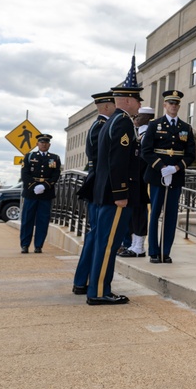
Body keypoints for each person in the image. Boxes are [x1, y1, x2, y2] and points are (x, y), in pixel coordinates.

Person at [87, 64, 143, 305]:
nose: (140, 104)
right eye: (138, 99)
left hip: (106, 194)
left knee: (104, 243)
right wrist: (121, 192)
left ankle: (99, 288)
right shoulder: (122, 122)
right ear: (128, 101)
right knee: (108, 245)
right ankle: (99, 292)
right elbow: (117, 161)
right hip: (114, 196)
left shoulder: (112, 121)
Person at [141, 90, 196, 263]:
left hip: (176, 176)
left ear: (179, 106)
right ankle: (153, 252)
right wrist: (162, 167)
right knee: (155, 213)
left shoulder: (185, 128)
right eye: (170, 103)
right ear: (165, 105)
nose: (173, 106)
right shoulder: (154, 125)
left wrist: (176, 168)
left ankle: (166, 251)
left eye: (176, 103)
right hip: (158, 176)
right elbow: (146, 151)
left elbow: (191, 153)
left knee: (171, 215)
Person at [73, 92, 115, 292]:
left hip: (98, 183)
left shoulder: (100, 125)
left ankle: (82, 281)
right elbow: (103, 159)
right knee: (97, 235)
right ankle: (82, 281)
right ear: (106, 107)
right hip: (100, 184)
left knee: (95, 235)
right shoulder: (101, 127)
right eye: (114, 103)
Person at [118, 106, 154, 258]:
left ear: (147, 117)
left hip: (143, 179)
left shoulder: (148, 133)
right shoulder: (135, 132)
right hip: (133, 179)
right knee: (133, 213)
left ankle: (139, 246)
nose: (135, 119)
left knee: (140, 213)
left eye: (138, 116)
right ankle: (133, 244)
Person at [19, 134, 61, 253]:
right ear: (37, 144)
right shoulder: (29, 156)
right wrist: (34, 186)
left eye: (46, 143)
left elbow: (56, 174)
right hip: (31, 193)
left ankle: (38, 245)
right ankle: (25, 245)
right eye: (41, 143)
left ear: (49, 145)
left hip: (46, 192)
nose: (44, 144)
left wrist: (45, 185)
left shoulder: (54, 158)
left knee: (43, 220)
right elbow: (25, 174)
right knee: (27, 219)